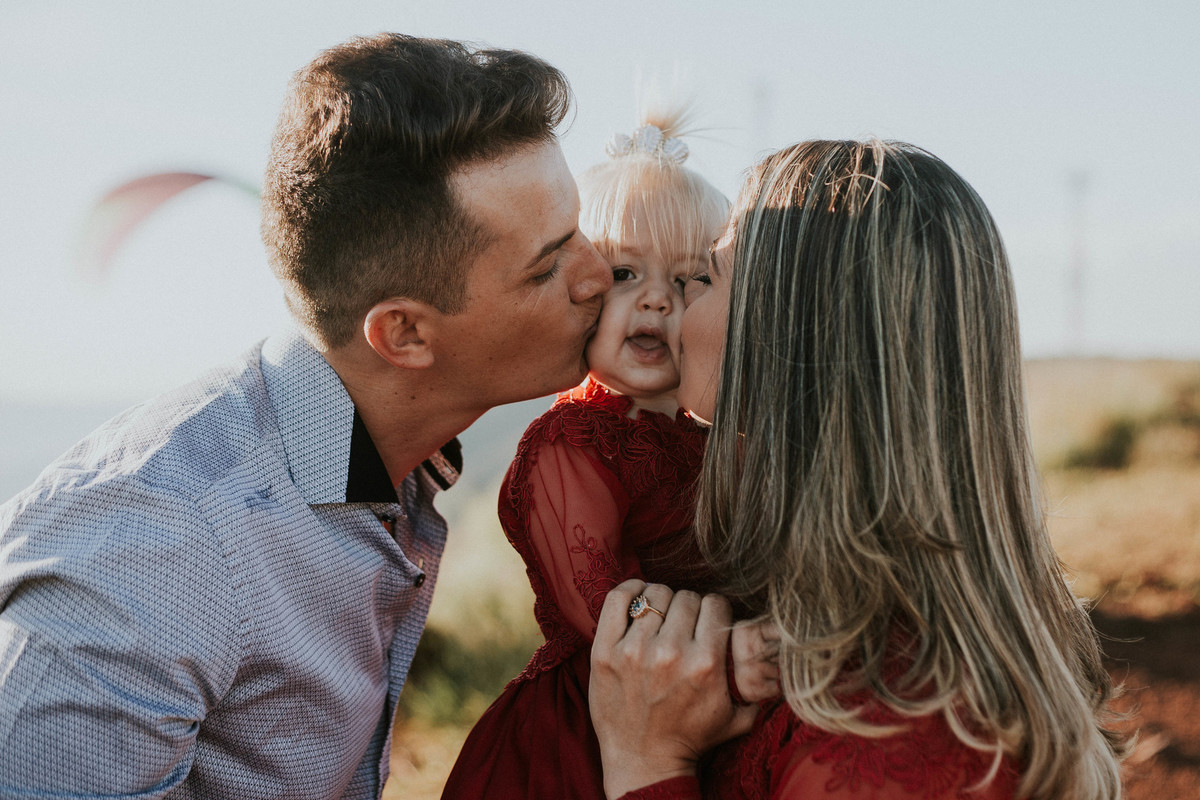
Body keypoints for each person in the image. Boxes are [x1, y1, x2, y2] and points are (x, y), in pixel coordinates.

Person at [0, 34, 613, 797]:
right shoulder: (157, 547)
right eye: (548, 264)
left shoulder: (393, 470)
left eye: (579, 229)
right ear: (405, 334)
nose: (601, 272)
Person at [588, 140, 1126, 799]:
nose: (677, 310)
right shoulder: (820, 636)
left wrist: (645, 762)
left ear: (784, 335)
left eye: (704, 277)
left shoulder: (887, 744)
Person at [442, 111, 779, 800]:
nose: (657, 298)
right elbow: (605, 616)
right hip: (592, 735)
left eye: (690, 279)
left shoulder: (718, 438)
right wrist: (733, 657)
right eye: (626, 272)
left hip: (707, 706)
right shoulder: (572, 443)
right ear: (582, 287)